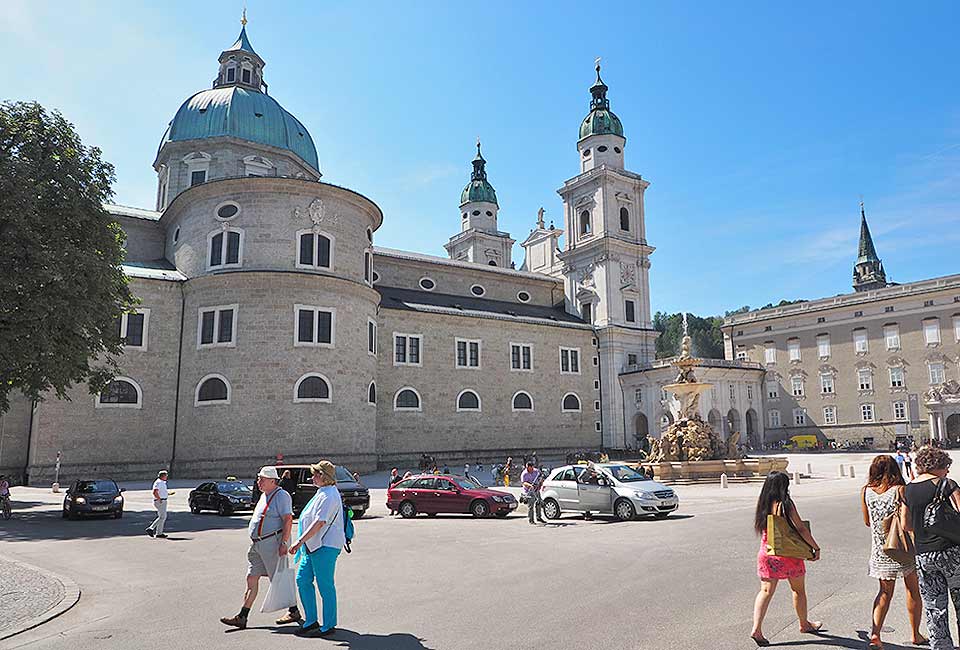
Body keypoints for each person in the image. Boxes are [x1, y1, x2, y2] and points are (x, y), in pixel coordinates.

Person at [220, 466, 301, 630]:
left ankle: (294, 611)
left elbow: (287, 519)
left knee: (278, 579)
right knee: (251, 578)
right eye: (259, 479)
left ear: (273, 481)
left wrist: (284, 543)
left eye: (262, 479)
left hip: (272, 542)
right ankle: (242, 616)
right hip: (257, 544)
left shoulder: (282, 495)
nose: (258, 482)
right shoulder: (265, 495)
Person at [861, 455, 926, 649]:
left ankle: (875, 635)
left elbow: (867, 522)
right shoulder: (900, 490)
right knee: (913, 590)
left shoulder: (865, 491)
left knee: (884, 592)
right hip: (903, 548)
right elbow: (907, 523)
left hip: (881, 549)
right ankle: (915, 634)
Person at [750, 471, 822, 647]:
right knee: (798, 590)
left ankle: (756, 628)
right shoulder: (785, 504)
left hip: (767, 553)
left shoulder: (763, 504)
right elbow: (801, 529)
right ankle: (804, 624)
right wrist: (815, 547)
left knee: (765, 591)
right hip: (788, 554)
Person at [902, 446, 960, 650]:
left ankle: (941, 646)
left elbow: (906, 524)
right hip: (952, 552)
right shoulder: (946, 484)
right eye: (946, 467)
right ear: (938, 466)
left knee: (935, 607)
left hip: (924, 556)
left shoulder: (908, 489)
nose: (947, 472)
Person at [289, 460, 346, 638]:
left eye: (314, 474)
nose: (311, 477)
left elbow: (320, 522)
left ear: (323, 476)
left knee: (325, 585)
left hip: (325, 546)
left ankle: (329, 625)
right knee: (302, 580)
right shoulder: (323, 492)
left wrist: (299, 541)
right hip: (313, 546)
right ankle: (311, 620)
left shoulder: (329, 495)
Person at [145, 470, 170, 538]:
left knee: (161, 517)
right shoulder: (159, 482)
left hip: (162, 500)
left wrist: (167, 494)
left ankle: (159, 533)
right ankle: (151, 528)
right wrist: (159, 499)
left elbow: (160, 492)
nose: (167, 477)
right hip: (160, 501)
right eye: (166, 475)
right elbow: (155, 492)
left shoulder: (162, 482)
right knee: (163, 517)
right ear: (163, 476)